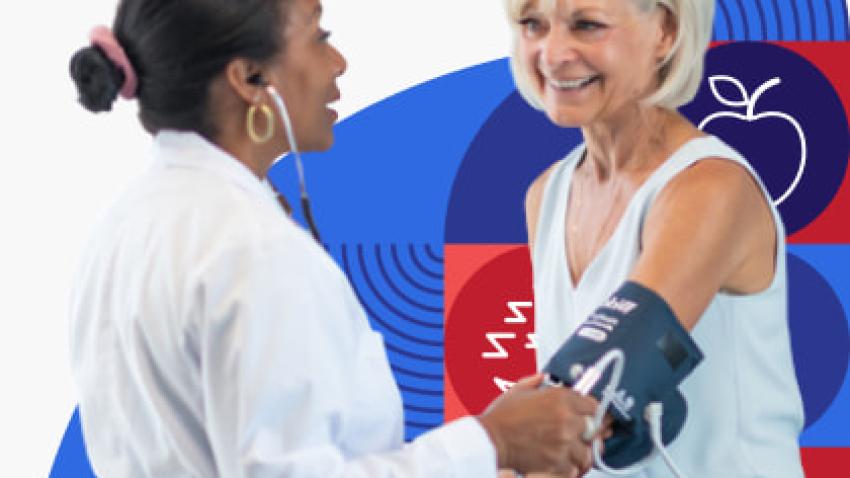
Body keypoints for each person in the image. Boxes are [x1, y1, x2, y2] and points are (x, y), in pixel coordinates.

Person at [68, 0, 605, 476]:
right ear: (251, 78)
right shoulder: (253, 248)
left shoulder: (123, 229)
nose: (339, 63)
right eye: (319, 36)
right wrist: (493, 444)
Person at [504, 0, 805, 476]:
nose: (553, 52)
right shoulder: (546, 195)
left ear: (665, 32)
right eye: (532, 25)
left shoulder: (709, 188)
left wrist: (488, 451)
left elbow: (607, 387)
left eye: (587, 25)